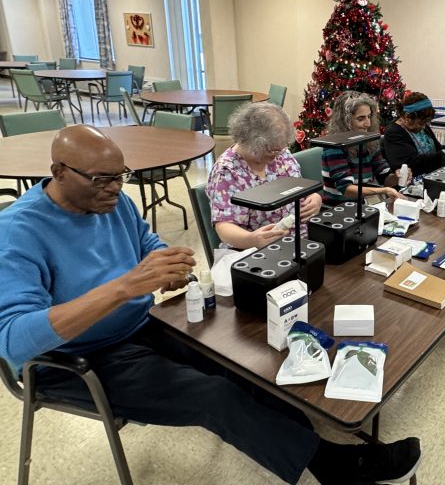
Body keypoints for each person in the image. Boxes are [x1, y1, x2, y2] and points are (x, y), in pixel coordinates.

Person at [0, 125, 422, 485]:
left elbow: (146, 243)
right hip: (73, 359)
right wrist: (125, 287)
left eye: (120, 177)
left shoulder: (111, 202)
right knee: (212, 395)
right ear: (57, 171)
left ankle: (297, 432)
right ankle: (333, 466)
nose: (115, 188)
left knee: (235, 362)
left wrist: (167, 259)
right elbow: (15, 341)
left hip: (138, 325)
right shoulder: (17, 231)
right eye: (100, 180)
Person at [207, 103, 322, 250]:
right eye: (272, 151)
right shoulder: (227, 171)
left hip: (298, 241)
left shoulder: (281, 155)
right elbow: (224, 226)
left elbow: (298, 188)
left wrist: (314, 198)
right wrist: (251, 240)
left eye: (280, 150)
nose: (277, 156)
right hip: (255, 250)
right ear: (251, 142)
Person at [321, 90, 409, 204]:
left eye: (369, 117)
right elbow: (346, 189)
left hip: (362, 204)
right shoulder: (334, 146)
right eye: (360, 118)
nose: (368, 123)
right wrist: (383, 190)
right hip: (337, 207)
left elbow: (384, 176)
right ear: (344, 121)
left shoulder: (368, 141)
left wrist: (398, 177)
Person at [382, 91, 445, 178]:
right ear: (407, 117)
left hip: (432, 176)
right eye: (420, 123)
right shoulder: (394, 133)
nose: (423, 127)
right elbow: (412, 164)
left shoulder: (422, 128)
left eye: (425, 123)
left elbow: (437, 150)